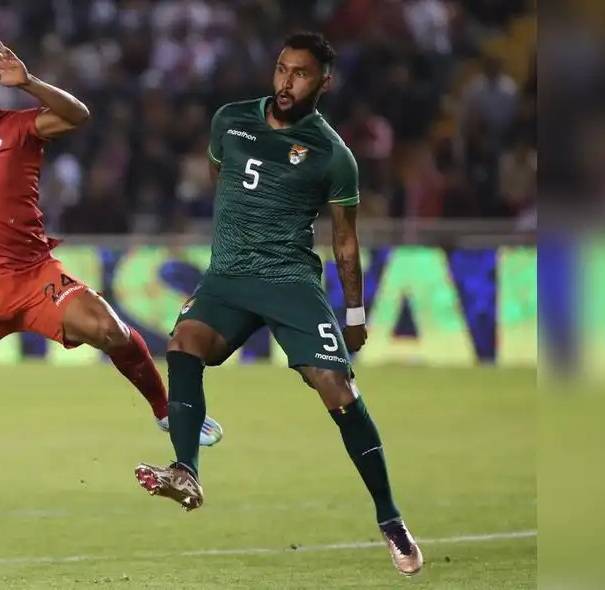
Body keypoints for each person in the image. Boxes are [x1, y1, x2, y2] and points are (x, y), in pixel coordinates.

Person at [0, 41, 224, 567]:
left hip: (34, 277)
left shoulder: (19, 128)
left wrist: (28, 81)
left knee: (111, 331)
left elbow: (77, 116)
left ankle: (166, 410)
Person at [132, 32, 423, 577]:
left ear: (323, 82)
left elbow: (344, 240)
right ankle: (185, 470)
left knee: (338, 392)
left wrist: (355, 314)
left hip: (289, 281)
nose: (287, 82)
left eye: (302, 74)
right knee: (183, 343)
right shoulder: (229, 120)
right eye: (282, 70)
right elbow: (226, 185)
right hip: (228, 277)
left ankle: (390, 519)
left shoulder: (333, 155)